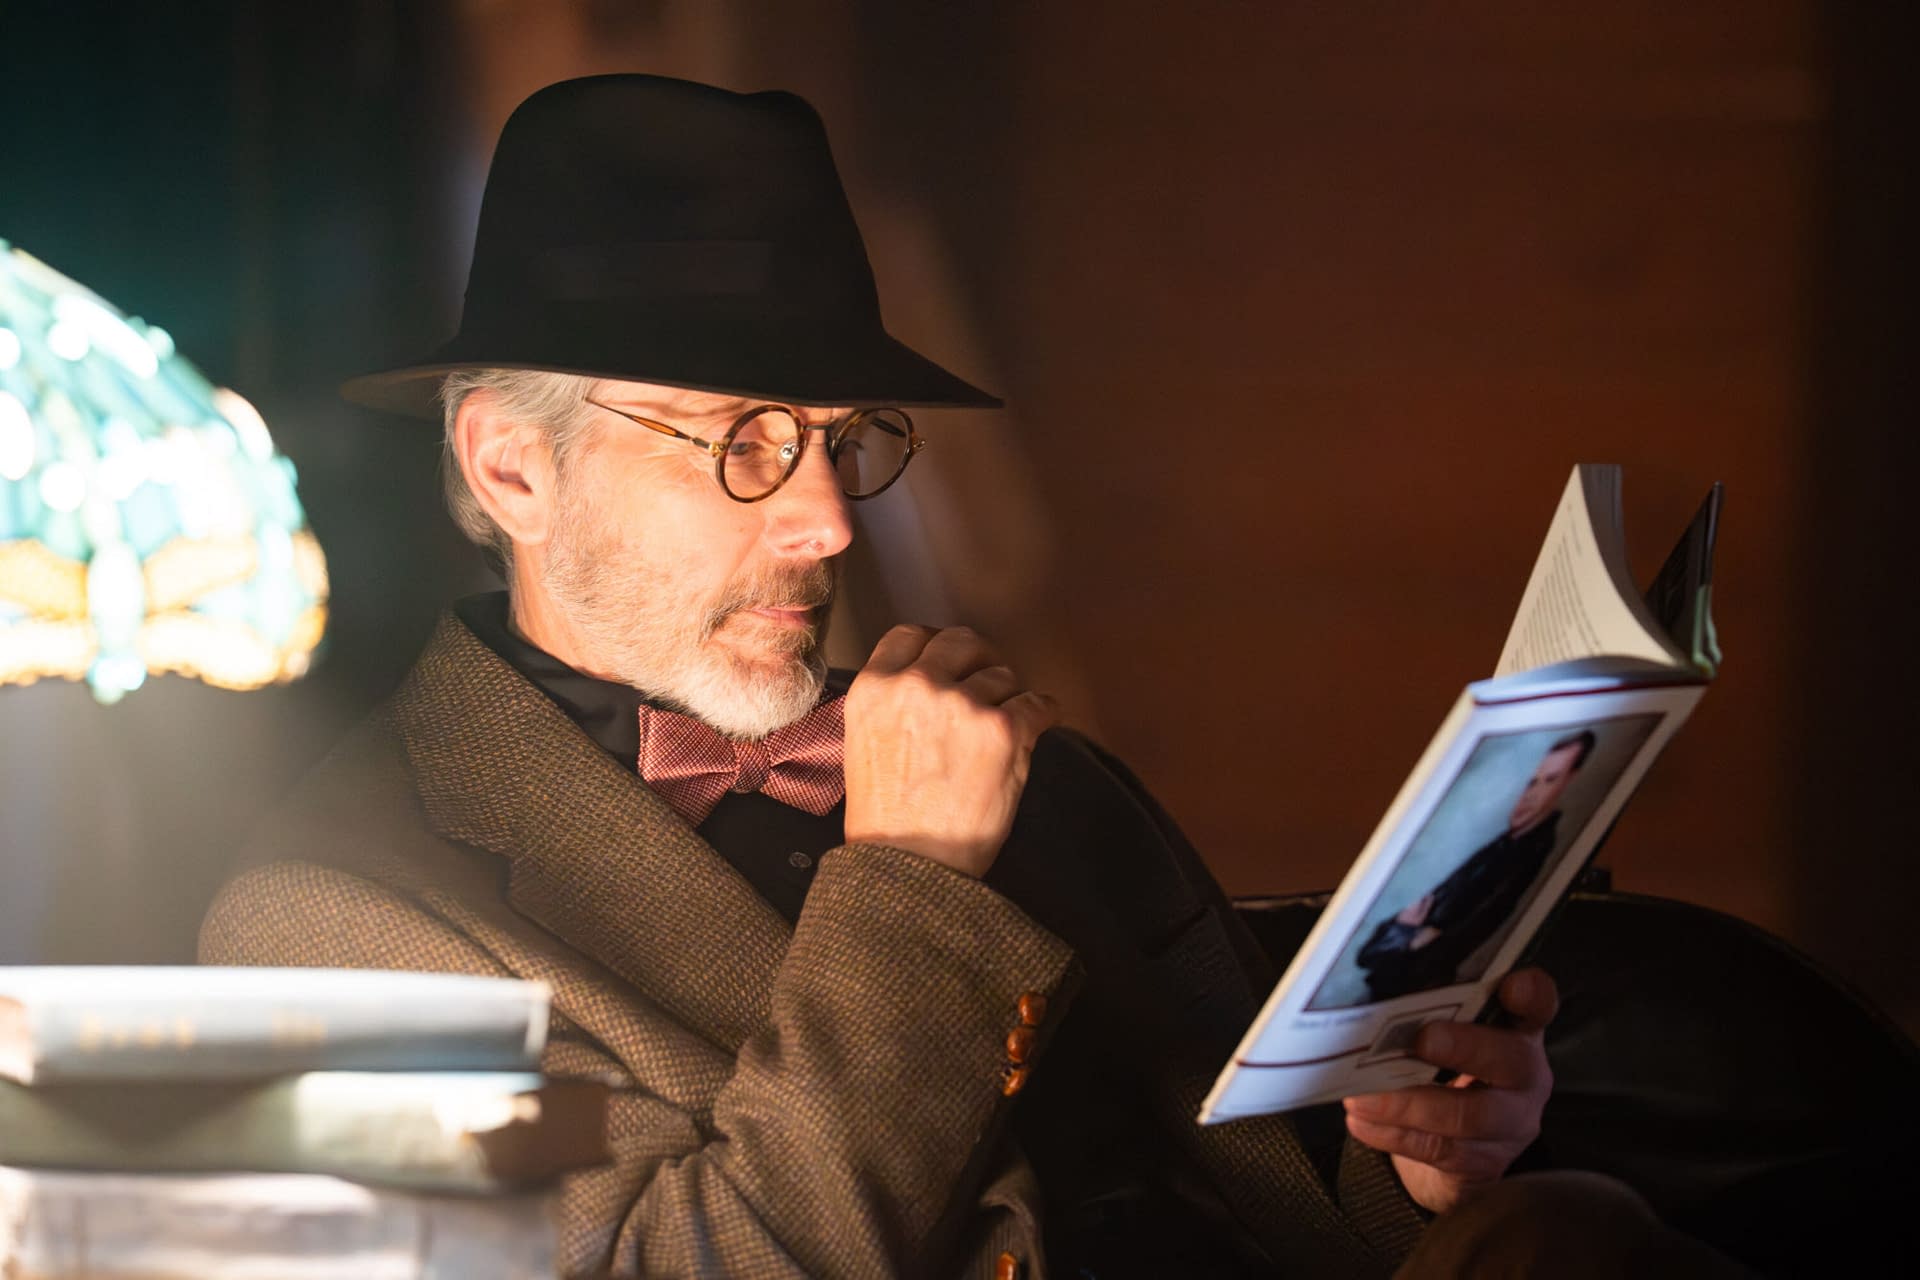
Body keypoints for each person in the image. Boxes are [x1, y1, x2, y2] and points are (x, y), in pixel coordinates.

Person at [201, 76, 1722, 1279]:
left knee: (1564, 1230)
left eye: (842, 438)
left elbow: (1280, 1203)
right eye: (743, 439)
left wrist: (1422, 1166)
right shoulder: (321, 929)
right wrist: (916, 880)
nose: (828, 517)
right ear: (513, 467)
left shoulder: (1033, 770)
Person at [1358, 730, 1596, 1003]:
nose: (1529, 795)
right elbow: (1372, 954)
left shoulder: (1528, 854)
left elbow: (1451, 943)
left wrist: (1412, 934)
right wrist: (1408, 929)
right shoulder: (1495, 848)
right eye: (1528, 780)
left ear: (1569, 779)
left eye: (1549, 780)